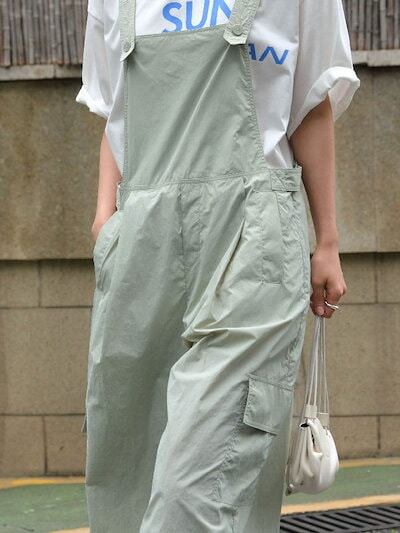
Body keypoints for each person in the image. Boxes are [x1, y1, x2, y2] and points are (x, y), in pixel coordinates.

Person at [76, 0, 360, 531]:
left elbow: (311, 104)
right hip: (142, 241)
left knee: (196, 484)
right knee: (130, 474)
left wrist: (327, 240)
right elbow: (117, 112)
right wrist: (105, 220)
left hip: (252, 240)